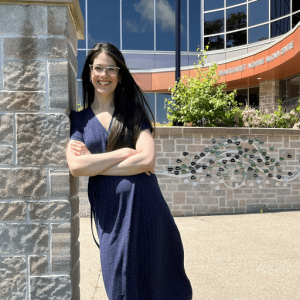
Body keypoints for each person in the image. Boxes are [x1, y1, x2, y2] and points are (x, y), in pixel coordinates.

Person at [66, 42, 193, 300]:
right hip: (111, 216)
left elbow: (147, 160)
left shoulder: (134, 115)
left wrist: (97, 164)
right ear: (90, 72)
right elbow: (77, 166)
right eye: (98, 68)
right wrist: (122, 153)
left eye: (111, 69)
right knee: (120, 284)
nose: (104, 75)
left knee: (159, 284)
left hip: (148, 211)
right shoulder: (78, 120)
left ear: (120, 75)